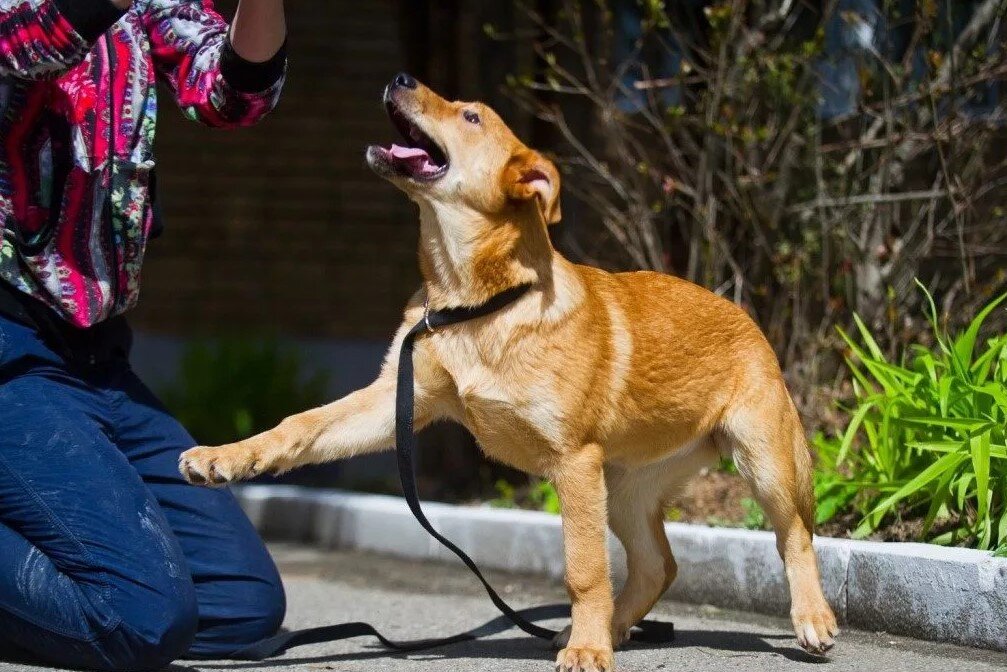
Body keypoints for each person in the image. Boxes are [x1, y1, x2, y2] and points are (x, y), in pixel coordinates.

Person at [0, 1, 287, 669]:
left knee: (241, 605)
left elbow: (233, 97)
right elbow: (33, 41)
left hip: (94, 356)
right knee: (142, 619)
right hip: (9, 350)